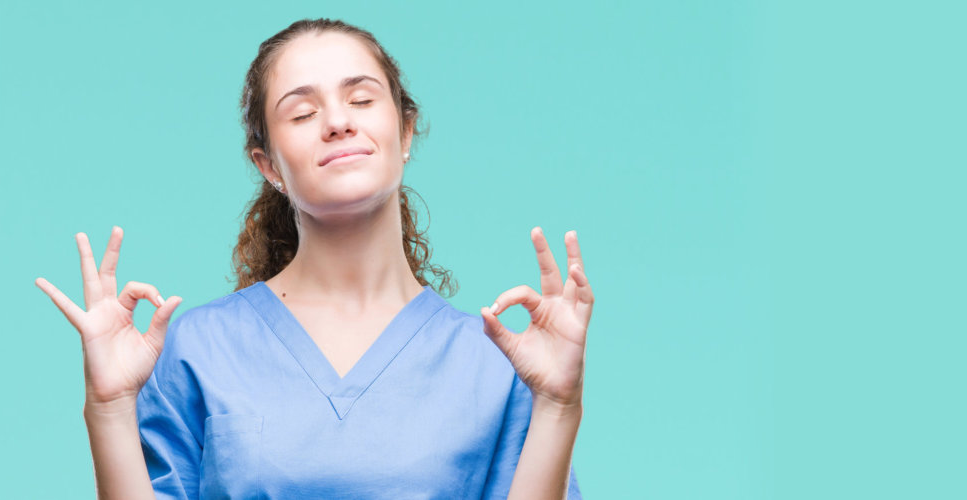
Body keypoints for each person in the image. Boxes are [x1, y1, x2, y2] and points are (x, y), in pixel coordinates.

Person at [35, 18, 593, 499]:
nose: (336, 121)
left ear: (405, 131)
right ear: (269, 166)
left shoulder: (499, 363)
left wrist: (558, 405)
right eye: (301, 114)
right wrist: (108, 406)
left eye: (361, 99)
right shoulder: (199, 349)